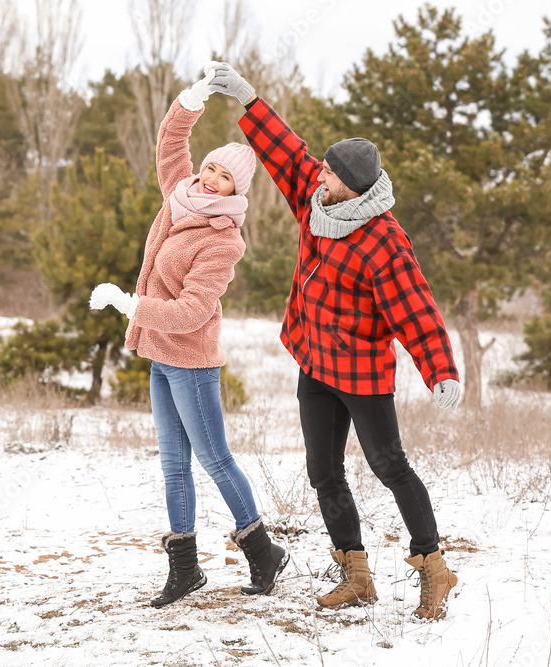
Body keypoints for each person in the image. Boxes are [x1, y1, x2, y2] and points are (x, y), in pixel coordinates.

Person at [207, 62, 462, 621]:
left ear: (353, 183)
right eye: (320, 169)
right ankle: (357, 575)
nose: (318, 174)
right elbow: (286, 151)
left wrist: (440, 370)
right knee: (323, 470)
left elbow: (416, 309)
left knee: (389, 464)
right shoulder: (317, 201)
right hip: (315, 364)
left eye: (330, 172)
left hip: (363, 373)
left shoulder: (383, 241)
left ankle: (435, 566)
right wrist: (250, 100)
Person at [89, 65, 288, 609]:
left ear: (236, 189)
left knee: (215, 459)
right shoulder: (178, 195)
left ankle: (263, 552)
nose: (208, 178)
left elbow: (191, 312)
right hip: (159, 358)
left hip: (193, 364)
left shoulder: (224, 240)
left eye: (222, 176)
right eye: (208, 167)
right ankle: (184, 570)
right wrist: (194, 98)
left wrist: (130, 304)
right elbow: (170, 140)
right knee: (172, 464)